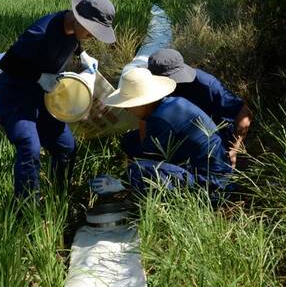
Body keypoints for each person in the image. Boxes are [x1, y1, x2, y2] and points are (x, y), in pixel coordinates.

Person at [0, 0, 116, 199]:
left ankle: (58, 196)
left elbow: (73, 43)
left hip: (46, 99)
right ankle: (27, 207)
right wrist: (39, 76)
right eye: (92, 31)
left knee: (66, 147)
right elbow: (7, 63)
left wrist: (83, 56)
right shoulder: (41, 32)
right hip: (17, 97)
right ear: (78, 19)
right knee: (29, 146)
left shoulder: (75, 33)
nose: (94, 36)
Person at [89, 68, 234, 197]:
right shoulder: (173, 103)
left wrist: (123, 182)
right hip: (215, 169)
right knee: (129, 140)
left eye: (129, 105)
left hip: (211, 186)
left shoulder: (159, 120)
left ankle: (132, 190)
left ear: (143, 102)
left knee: (137, 170)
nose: (127, 110)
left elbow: (149, 156)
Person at [147, 48, 253, 168]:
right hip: (183, 129)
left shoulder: (205, 84)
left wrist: (234, 149)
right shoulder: (156, 90)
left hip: (215, 134)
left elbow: (244, 113)